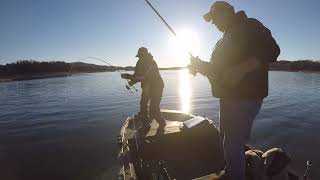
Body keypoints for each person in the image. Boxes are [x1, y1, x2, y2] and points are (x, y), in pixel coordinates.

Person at [188, 1, 280, 180]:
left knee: (232, 143)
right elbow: (219, 71)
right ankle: (232, 169)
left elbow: (273, 51)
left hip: (244, 97)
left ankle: (234, 175)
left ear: (226, 13)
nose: (213, 23)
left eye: (214, 18)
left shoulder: (249, 25)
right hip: (228, 97)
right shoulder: (223, 39)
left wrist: (244, 67)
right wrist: (199, 66)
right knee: (229, 139)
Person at [122, 47, 165, 128]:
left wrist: (129, 77)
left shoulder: (152, 63)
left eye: (141, 56)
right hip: (146, 88)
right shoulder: (139, 63)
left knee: (154, 107)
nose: (139, 57)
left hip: (157, 87)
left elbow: (145, 77)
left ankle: (162, 123)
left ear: (145, 55)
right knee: (143, 105)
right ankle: (146, 124)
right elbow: (137, 76)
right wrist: (131, 82)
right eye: (139, 56)